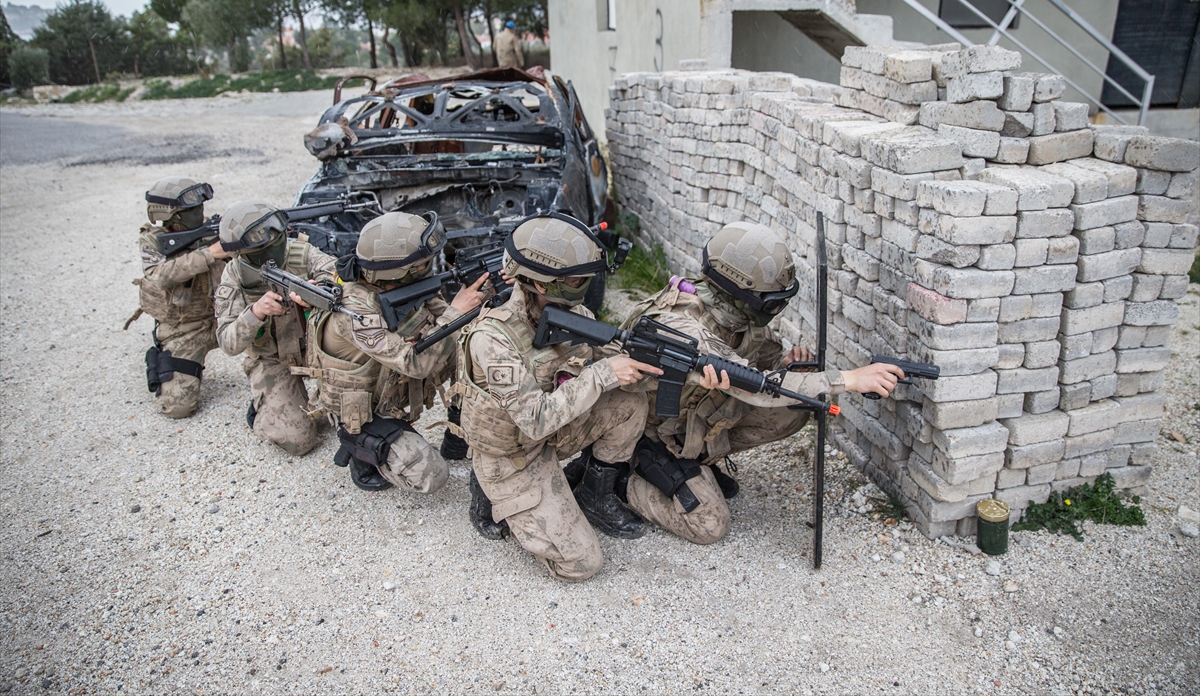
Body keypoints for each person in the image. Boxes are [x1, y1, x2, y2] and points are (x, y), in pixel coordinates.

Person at [611, 221, 905, 545]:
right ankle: (620, 478)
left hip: (685, 419)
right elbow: (757, 386)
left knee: (795, 407)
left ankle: (695, 462)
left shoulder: (736, 316)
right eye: (772, 302)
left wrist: (787, 365)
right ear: (743, 294)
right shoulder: (687, 330)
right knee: (709, 525)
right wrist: (849, 379)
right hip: (645, 435)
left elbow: (765, 366)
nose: (777, 310)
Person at [454, 213, 660, 581]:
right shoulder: (493, 337)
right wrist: (603, 374)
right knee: (582, 564)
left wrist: (686, 371)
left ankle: (594, 495)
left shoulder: (572, 313)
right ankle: (488, 489)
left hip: (556, 431)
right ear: (542, 284)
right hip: (512, 452)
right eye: (576, 279)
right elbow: (534, 421)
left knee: (630, 403)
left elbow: (609, 355)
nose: (584, 287)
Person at [301, 211, 489, 493]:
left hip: (388, 383)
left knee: (470, 348)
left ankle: (458, 428)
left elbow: (448, 322)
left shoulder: (401, 285)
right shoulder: (355, 312)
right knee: (431, 475)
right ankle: (360, 448)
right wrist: (456, 311)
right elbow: (415, 364)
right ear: (399, 271)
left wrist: (479, 297)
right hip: (363, 407)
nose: (430, 267)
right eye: (423, 263)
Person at [214, 200, 337, 456]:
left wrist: (319, 289)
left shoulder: (301, 253)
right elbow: (227, 342)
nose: (275, 243)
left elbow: (333, 274)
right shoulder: (235, 275)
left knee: (354, 417)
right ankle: (264, 410)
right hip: (272, 359)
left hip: (318, 352)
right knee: (298, 441)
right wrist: (256, 312)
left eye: (277, 235)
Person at [130, 176, 229, 418]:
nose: (199, 212)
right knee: (178, 408)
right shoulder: (154, 241)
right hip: (185, 329)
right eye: (191, 209)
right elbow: (160, 276)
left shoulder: (214, 231)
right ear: (170, 215)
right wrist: (210, 253)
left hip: (228, 317)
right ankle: (171, 362)